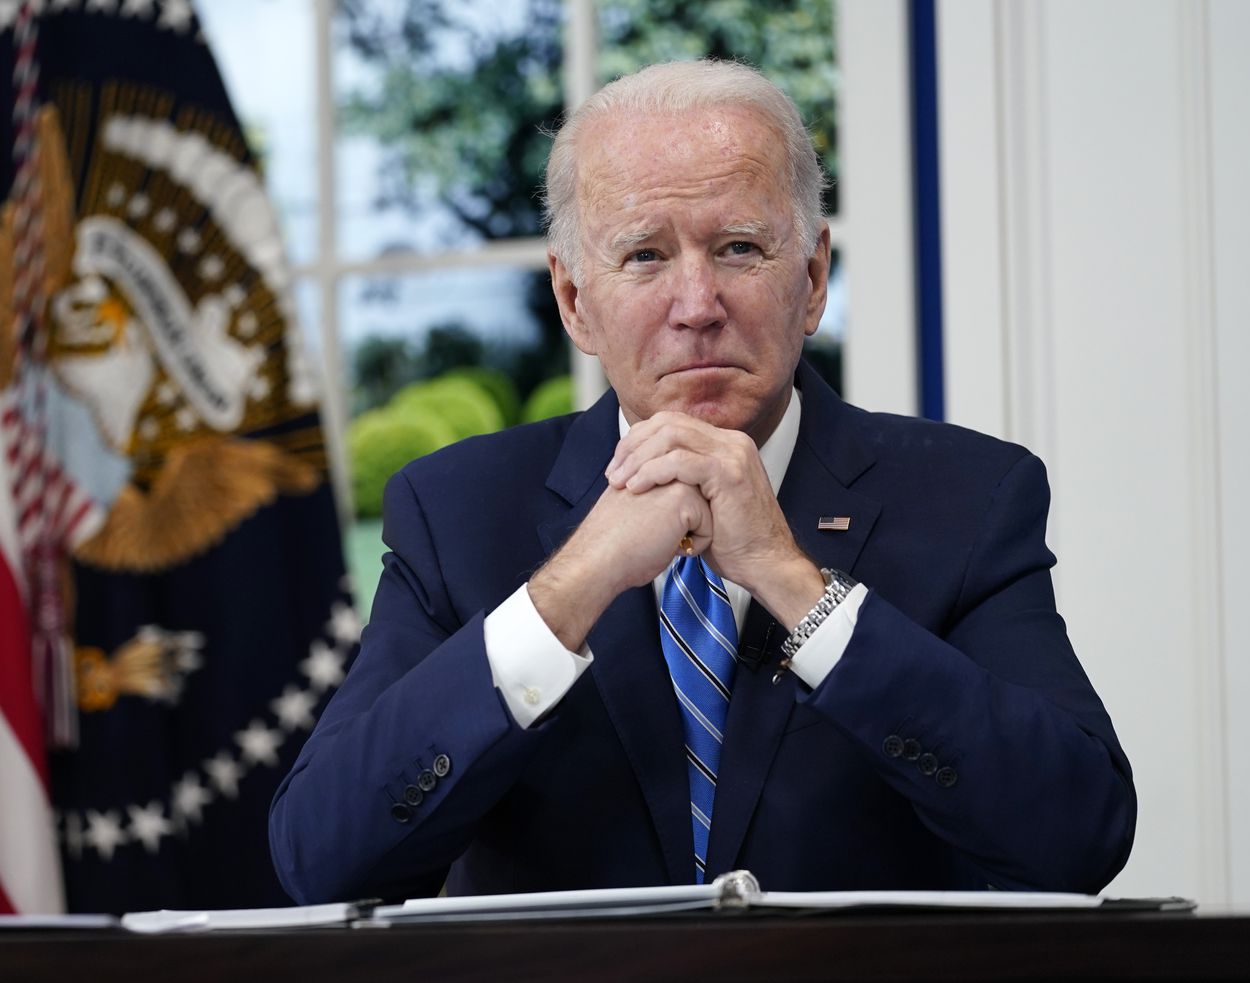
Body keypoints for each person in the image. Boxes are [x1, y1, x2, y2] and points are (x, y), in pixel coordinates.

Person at [269, 60, 1135, 904]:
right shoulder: (454, 512)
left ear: (812, 278)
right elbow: (322, 858)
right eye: (645, 255)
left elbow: (1078, 833)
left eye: (739, 248)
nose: (696, 305)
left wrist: (798, 587)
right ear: (574, 300)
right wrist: (569, 590)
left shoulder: (971, 497)